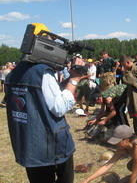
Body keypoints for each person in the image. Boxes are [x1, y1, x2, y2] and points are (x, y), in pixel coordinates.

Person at [5, 23, 87, 183]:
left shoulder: (13, 74)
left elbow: (41, 97)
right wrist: (75, 79)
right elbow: (59, 107)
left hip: (28, 145)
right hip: (51, 145)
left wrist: (68, 79)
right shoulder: (42, 72)